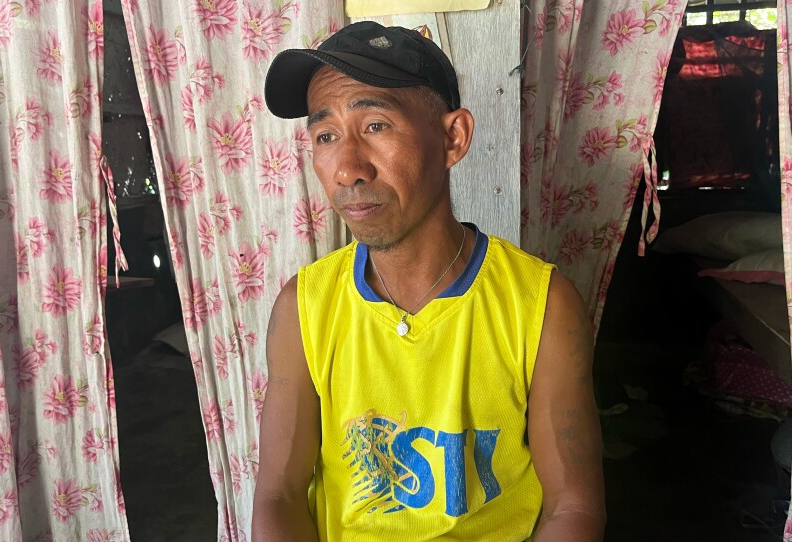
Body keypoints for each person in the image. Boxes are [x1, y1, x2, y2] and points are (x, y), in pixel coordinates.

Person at [252, 21, 605, 542]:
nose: (347, 169)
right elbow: (278, 496)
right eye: (326, 136)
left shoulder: (541, 305)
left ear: (452, 137)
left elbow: (573, 508)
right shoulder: (304, 308)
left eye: (375, 125)